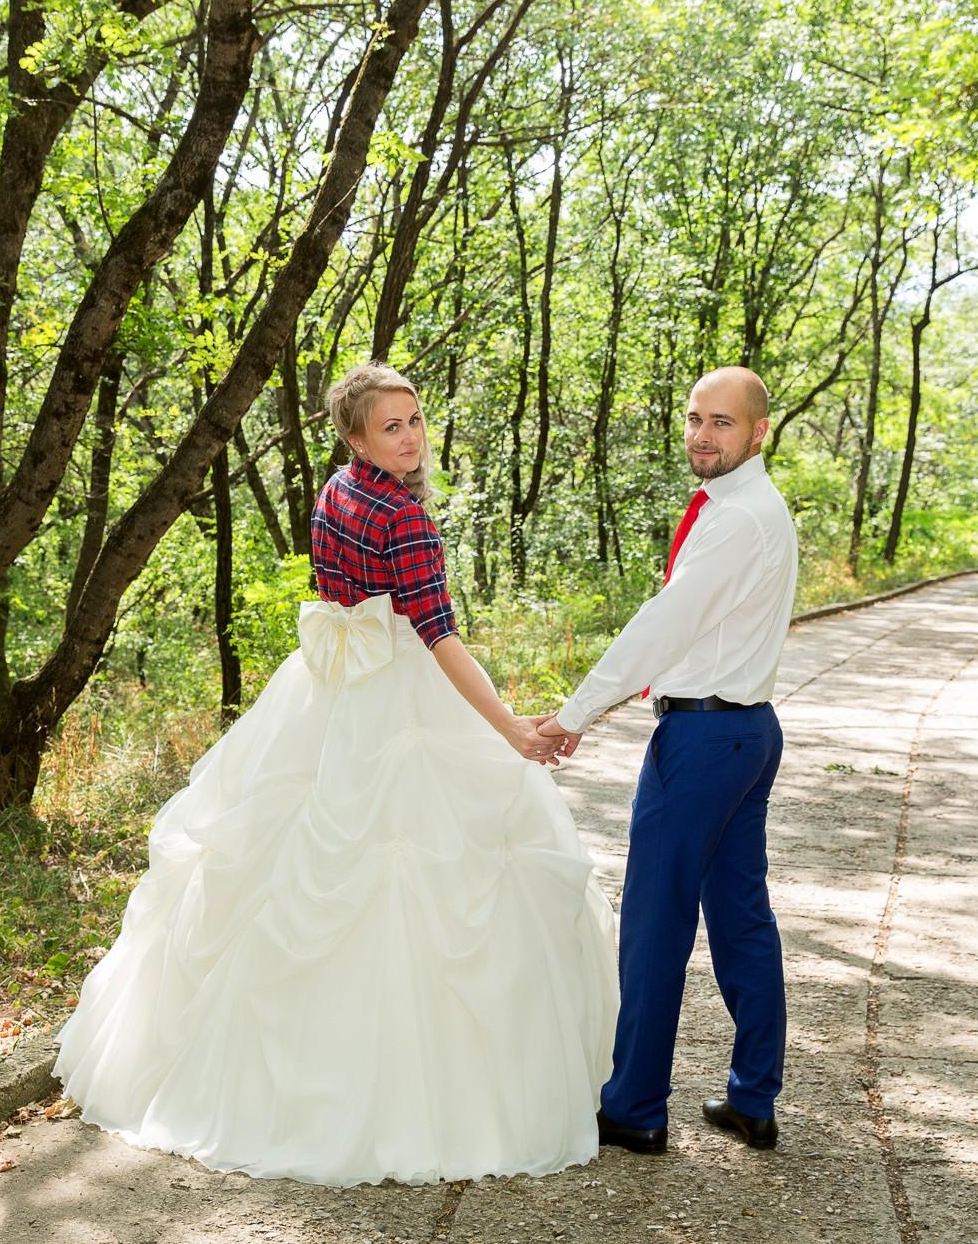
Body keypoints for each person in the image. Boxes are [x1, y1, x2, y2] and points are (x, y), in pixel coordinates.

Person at [53, 363, 618, 1187]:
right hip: (390, 694)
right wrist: (508, 730)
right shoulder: (404, 516)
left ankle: (258, 1082)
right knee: (413, 874)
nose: (412, 435)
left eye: (416, 418)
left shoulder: (336, 491)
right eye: (391, 427)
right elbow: (440, 637)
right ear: (356, 437)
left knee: (293, 863)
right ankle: (413, 1104)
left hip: (329, 691)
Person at [538, 365, 797, 1155]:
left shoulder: (736, 521)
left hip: (705, 741)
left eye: (721, 422)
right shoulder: (751, 508)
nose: (702, 435)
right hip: (747, 731)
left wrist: (574, 711)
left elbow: (663, 625)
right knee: (741, 916)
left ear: (758, 432)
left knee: (653, 922)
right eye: (693, 419)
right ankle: (754, 1097)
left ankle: (636, 1105)